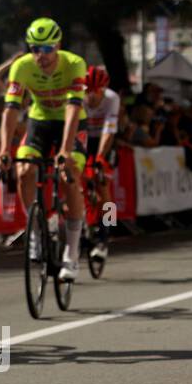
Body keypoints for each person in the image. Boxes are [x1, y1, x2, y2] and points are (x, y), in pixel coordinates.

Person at [0, 18, 88, 283]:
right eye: (35, 48)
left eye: (47, 49)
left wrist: (66, 150)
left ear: (58, 45)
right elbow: (11, 109)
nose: (41, 55)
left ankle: (71, 250)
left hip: (71, 123)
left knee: (68, 175)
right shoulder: (21, 67)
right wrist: (4, 149)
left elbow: (72, 108)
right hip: (40, 121)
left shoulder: (74, 64)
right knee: (24, 170)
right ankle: (36, 229)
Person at [82, 65, 120, 257]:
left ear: (103, 89)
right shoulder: (78, 97)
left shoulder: (112, 98)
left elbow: (109, 131)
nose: (91, 96)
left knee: (103, 186)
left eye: (95, 92)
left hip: (104, 141)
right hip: (85, 140)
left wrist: (100, 157)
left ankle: (107, 231)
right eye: (87, 91)